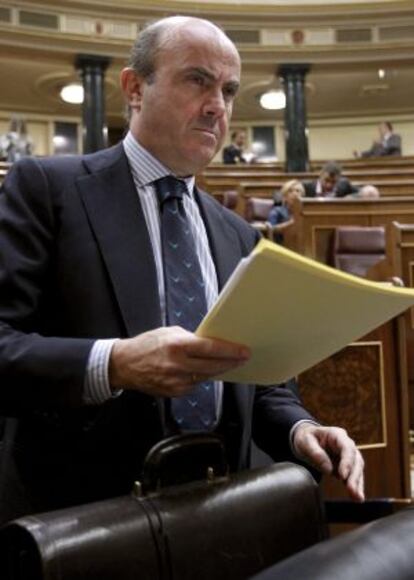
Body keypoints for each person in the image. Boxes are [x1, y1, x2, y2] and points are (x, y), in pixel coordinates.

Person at [0, 16, 364, 524]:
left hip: (218, 514)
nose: (218, 105)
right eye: (197, 80)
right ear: (134, 87)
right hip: (83, 517)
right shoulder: (47, 188)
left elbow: (260, 380)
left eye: (229, 89)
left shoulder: (239, 235)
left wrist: (297, 428)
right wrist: (114, 364)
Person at [268, 179, 304, 244]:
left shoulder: (306, 213)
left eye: (298, 191)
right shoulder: (276, 211)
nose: (295, 194)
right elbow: (271, 230)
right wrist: (291, 223)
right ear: (284, 196)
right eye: (290, 191)